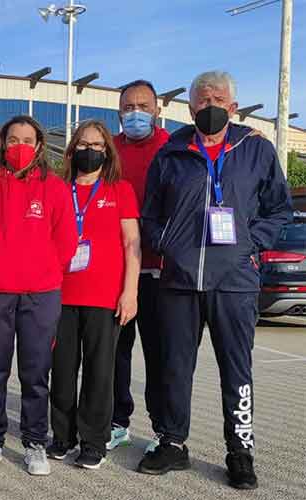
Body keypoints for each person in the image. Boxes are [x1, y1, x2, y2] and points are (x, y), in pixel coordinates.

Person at [139, 71, 292, 490]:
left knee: (236, 370)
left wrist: (248, 244)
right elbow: (149, 214)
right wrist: (166, 243)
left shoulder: (256, 150)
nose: (210, 105)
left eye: (218, 99)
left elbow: (278, 210)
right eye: (202, 100)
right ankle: (172, 442)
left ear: (233, 106)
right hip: (180, 282)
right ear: (190, 109)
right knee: (174, 367)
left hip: (236, 282)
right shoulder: (171, 152)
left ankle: (240, 450)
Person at [0, 115, 77, 475]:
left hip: (40, 295)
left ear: (40, 145)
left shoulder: (55, 188)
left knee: (35, 372)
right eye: (13, 140)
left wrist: (42, 272)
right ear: (2, 144)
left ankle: (34, 443)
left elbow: (66, 242)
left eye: (27, 139)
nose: (20, 146)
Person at [47, 120, 140, 470]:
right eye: (84, 144)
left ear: (107, 151)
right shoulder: (58, 189)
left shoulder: (120, 190)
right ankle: (62, 436)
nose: (90, 151)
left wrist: (130, 292)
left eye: (98, 146)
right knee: (62, 369)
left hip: (104, 296)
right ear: (72, 150)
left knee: (100, 373)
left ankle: (93, 441)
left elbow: (132, 243)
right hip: (60, 295)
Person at [109, 80, 171, 453]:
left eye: (143, 105)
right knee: (115, 354)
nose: (136, 113)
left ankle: (165, 431)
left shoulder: (174, 147)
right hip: (116, 272)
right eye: (129, 106)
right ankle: (117, 422)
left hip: (162, 270)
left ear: (157, 109)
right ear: (119, 113)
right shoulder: (108, 151)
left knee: (161, 354)